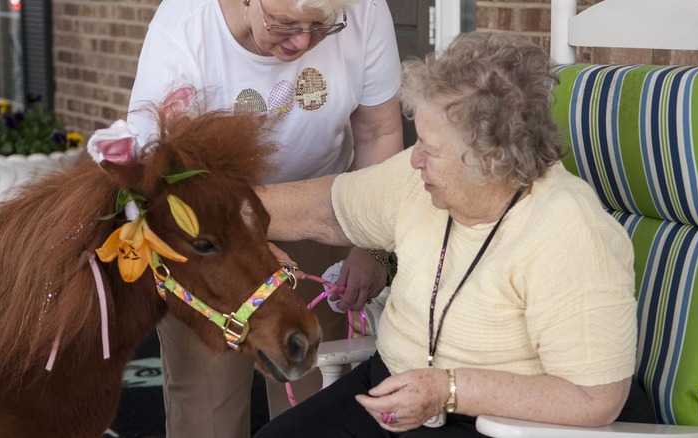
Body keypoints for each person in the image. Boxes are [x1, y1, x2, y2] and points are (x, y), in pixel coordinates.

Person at [254, 32, 638, 437]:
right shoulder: (421, 183)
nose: (414, 159)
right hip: (394, 390)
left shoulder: (569, 230)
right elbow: (326, 211)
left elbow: (596, 398)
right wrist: (219, 209)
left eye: (430, 148)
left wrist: (448, 390)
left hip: (498, 422)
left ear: (490, 158)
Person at [122, 0, 404, 436]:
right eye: (285, 24)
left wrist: (371, 243)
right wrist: (249, 247)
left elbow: (377, 131)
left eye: (322, 26)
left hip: (320, 214)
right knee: (208, 406)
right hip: (211, 234)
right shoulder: (184, 27)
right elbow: (160, 176)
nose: (303, 42)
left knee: (316, 392)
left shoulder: (363, 8)